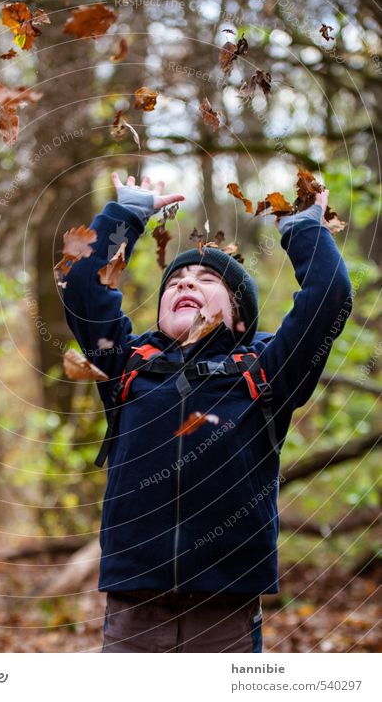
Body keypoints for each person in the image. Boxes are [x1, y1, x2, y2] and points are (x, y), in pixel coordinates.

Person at [61, 171, 353, 653]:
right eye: (174, 281)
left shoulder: (266, 370)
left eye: (206, 279)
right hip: (135, 601)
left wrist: (303, 227)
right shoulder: (126, 365)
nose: (184, 284)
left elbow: (329, 298)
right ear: (159, 312)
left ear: (240, 316)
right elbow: (82, 289)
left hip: (226, 602)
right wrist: (127, 213)